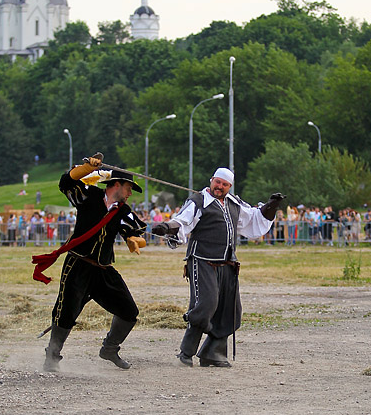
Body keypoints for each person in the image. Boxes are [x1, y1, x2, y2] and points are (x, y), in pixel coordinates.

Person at [152, 167, 284, 368]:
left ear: (229, 187)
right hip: (202, 261)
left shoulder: (234, 203)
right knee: (206, 305)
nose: (219, 187)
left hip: (228, 264)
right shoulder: (198, 201)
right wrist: (167, 227)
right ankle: (186, 352)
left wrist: (271, 206)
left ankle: (213, 353)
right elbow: (182, 221)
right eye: (217, 182)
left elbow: (254, 218)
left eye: (224, 184)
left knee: (230, 310)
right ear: (211, 180)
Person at [42, 153, 147, 373]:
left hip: (103, 270)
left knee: (129, 311)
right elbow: (66, 182)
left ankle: (109, 348)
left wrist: (134, 240)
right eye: (128, 188)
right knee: (66, 312)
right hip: (78, 264)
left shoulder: (123, 210)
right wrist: (87, 168)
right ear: (116, 185)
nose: (129, 194)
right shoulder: (89, 197)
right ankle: (52, 355)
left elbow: (134, 230)